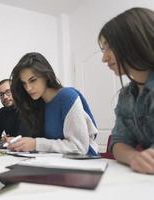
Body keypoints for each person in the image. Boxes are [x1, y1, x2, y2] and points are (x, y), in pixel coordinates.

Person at [98, 7, 154, 174]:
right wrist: (134, 157)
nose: (104, 58)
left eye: (110, 47)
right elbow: (118, 142)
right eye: (103, 49)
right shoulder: (126, 95)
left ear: (135, 41)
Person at [9, 52, 98, 155]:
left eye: (33, 80)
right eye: (24, 83)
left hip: (85, 162)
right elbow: (47, 144)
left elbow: (80, 148)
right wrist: (21, 143)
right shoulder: (38, 103)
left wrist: (35, 144)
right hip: (57, 163)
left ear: (46, 76)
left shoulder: (67, 97)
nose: (28, 88)